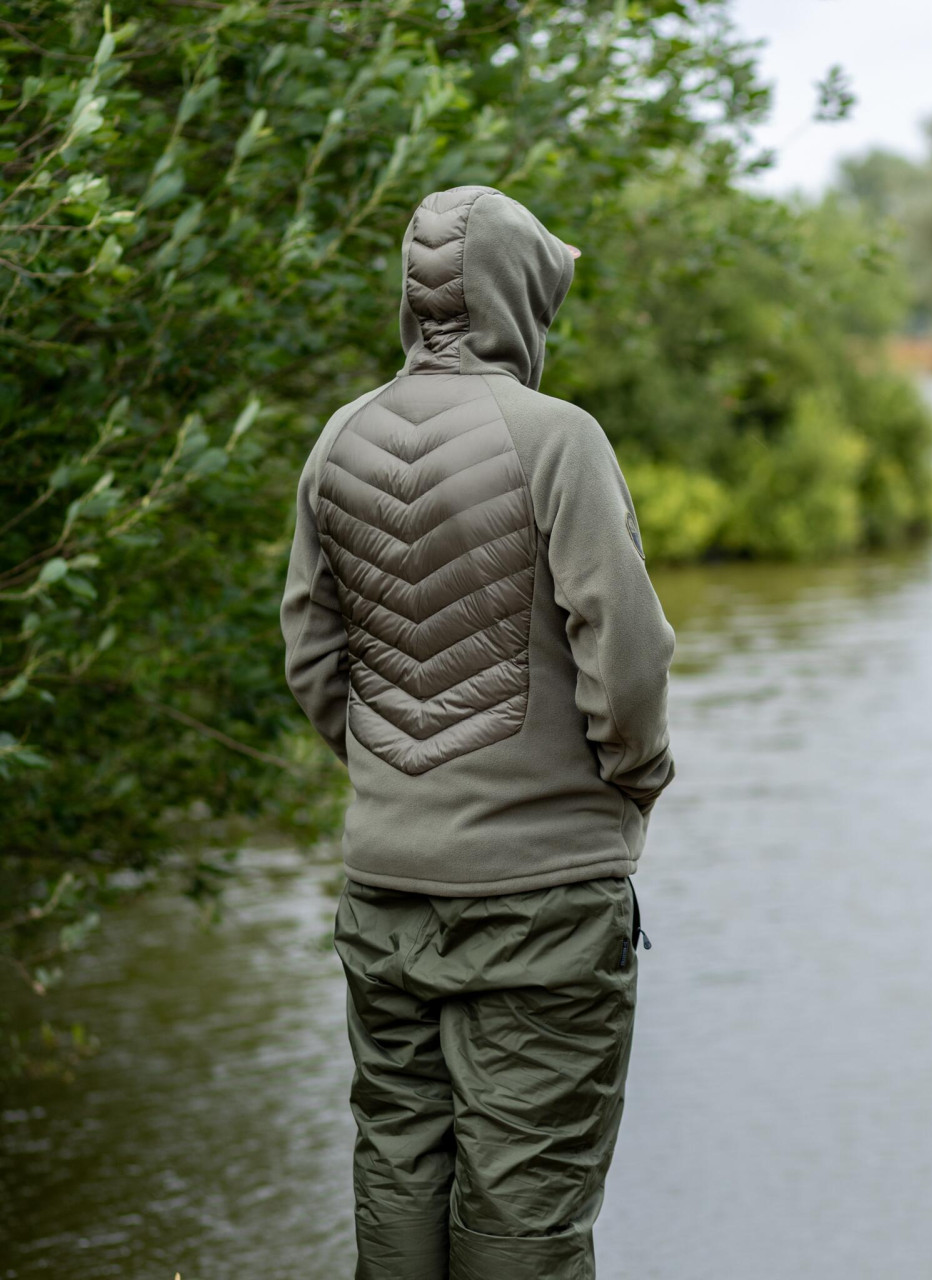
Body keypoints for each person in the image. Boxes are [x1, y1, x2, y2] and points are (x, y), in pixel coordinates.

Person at [280, 184, 677, 1280]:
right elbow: (628, 658)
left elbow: (312, 654)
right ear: (518, 296)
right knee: (526, 1200)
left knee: (399, 1171)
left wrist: (395, 782)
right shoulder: (560, 440)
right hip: (543, 898)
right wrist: (631, 782)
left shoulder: (339, 437)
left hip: (385, 890)